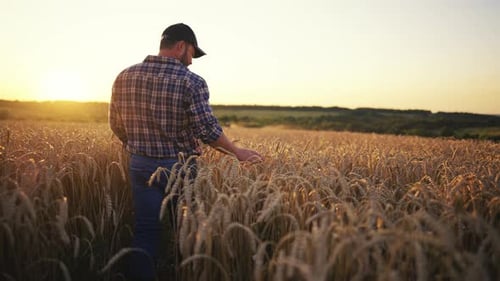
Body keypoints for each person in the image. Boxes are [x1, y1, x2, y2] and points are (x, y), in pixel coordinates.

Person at [109, 23, 263, 281]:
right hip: (179, 168)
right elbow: (207, 130)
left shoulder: (124, 76)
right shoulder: (191, 82)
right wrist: (237, 152)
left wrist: (137, 146)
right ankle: (184, 273)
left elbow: (116, 124)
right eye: (192, 53)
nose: (191, 61)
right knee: (186, 229)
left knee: (145, 231)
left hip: (140, 165)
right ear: (181, 46)